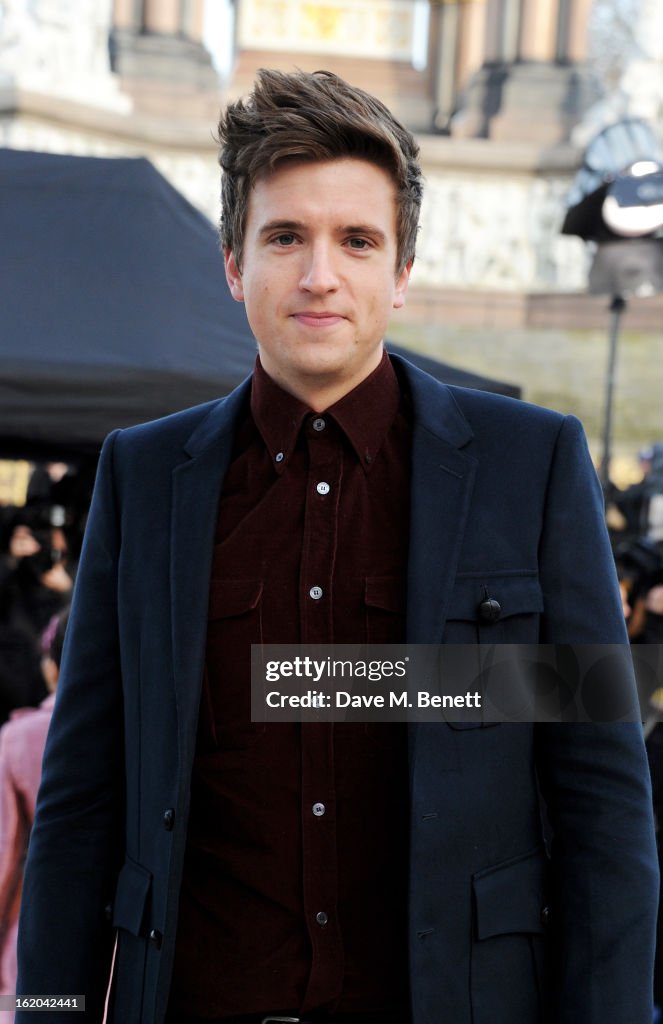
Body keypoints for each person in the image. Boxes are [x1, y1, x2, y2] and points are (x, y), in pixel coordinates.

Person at [16, 69, 658, 1024]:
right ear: (232, 264)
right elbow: (78, 808)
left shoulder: (532, 466)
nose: (320, 274)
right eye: (284, 237)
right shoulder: (144, 478)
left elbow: (602, 801)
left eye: (356, 240)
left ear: (400, 273)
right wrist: (51, 1014)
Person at [0, 609, 67, 1020]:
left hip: (34, 932)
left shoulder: (20, 739)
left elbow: (5, 854)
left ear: (52, 665)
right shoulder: (140, 731)